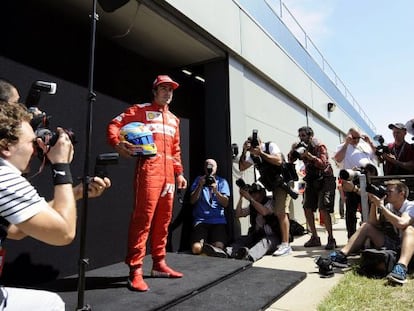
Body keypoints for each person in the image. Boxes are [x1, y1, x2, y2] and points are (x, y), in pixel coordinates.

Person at [0, 101, 111, 310]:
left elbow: (15, 230)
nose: (36, 150)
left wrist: (76, 193)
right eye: (32, 143)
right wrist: (61, 166)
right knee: (51, 304)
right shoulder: (4, 177)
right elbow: (64, 233)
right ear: (6, 146)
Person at [107, 75, 187, 292]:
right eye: (163, 89)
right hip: (149, 171)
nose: (167, 93)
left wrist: (179, 173)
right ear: (154, 91)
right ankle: (135, 270)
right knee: (143, 219)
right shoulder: (140, 110)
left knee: (164, 221)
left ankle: (159, 264)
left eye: (170, 90)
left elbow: (175, 150)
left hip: (169, 175)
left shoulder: (174, 120)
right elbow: (115, 124)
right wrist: (118, 143)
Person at [329, 180, 414, 284]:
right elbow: (372, 223)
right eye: (386, 190)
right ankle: (341, 255)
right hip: (396, 244)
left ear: (401, 194)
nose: (386, 193)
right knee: (366, 226)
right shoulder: (389, 207)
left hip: (410, 247)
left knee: (409, 229)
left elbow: (402, 223)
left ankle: (401, 268)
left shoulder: (411, 206)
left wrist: (381, 207)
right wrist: (374, 203)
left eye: (390, 191)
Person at [239, 134, 292, 256]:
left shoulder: (270, 146)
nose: (252, 148)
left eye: (253, 145)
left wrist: (261, 153)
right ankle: (284, 240)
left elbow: (279, 161)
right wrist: (244, 151)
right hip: (274, 185)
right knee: (279, 211)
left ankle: (285, 244)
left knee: (280, 211)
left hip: (283, 182)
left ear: (259, 142)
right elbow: (242, 167)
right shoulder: (253, 155)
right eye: (250, 147)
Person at [289, 126, 337, 250]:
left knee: (323, 208)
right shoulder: (300, 147)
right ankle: (315, 237)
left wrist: (310, 156)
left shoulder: (319, 146)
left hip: (325, 179)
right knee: (307, 207)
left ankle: (331, 238)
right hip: (311, 179)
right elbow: (290, 160)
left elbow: (323, 164)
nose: (301, 138)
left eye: (303, 136)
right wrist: (293, 150)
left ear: (310, 136)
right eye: (300, 136)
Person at [333, 127, 377, 238]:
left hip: (367, 179)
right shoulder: (342, 146)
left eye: (358, 138)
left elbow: (375, 156)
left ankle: (367, 235)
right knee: (351, 210)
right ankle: (352, 237)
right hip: (351, 179)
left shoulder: (364, 146)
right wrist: (347, 143)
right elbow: (337, 159)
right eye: (354, 137)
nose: (356, 140)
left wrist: (369, 142)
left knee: (367, 209)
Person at [226, 183, 281, 261]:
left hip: (273, 237)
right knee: (242, 239)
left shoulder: (270, 202)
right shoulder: (252, 205)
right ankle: (228, 252)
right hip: (257, 235)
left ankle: (249, 256)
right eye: (251, 193)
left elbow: (264, 212)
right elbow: (238, 214)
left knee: (264, 242)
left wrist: (250, 198)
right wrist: (241, 197)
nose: (253, 195)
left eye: (256, 193)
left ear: (262, 193)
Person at [189, 159, 230, 257]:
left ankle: (209, 250)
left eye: (212, 166)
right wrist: (200, 185)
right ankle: (206, 249)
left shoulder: (222, 181)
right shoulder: (199, 180)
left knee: (219, 247)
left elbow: (226, 203)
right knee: (196, 248)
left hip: (218, 220)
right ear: (204, 168)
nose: (210, 169)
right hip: (201, 220)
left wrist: (216, 191)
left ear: (216, 168)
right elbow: (192, 201)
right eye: (208, 166)